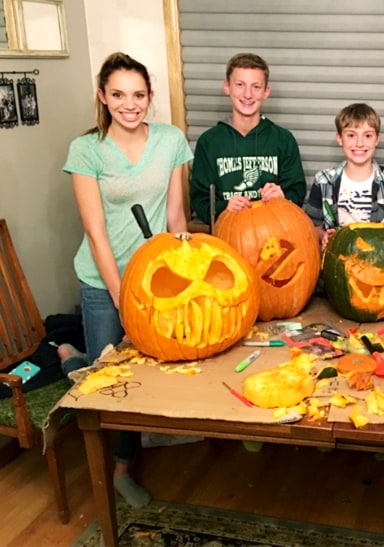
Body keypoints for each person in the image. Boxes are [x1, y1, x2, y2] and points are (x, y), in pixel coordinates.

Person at [62, 52, 193, 508]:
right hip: (105, 281)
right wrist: (121, 297)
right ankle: (117, 473)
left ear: (150, 97)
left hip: (158, 278)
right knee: (108, 377)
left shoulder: (172, 140)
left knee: (153, 368)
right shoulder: (86, 150)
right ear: (103, 96)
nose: (129, 104)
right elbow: (95, 232)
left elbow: (177, 215)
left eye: (138, 94)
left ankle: (70, 356)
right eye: (118, 94)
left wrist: (184, 269)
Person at [190, 53, 306, 224]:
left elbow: (297, 192)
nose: (248, 94)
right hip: (226, 235)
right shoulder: (209, 142)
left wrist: (283, 197)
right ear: (227, 87)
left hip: (274, 235)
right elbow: (200, 199)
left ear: (266, 92)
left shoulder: (283, 140)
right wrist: (225, 207)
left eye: (256, 87)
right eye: (240, 85)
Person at [303, 102, 384, 250]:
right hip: (336, 260)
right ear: (339, 138)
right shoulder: (323, 180)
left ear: (377, 139)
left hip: (378, 263)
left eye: (368, 136)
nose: (359, 143)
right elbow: (312, 227)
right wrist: (324, 235)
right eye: (351, 135)